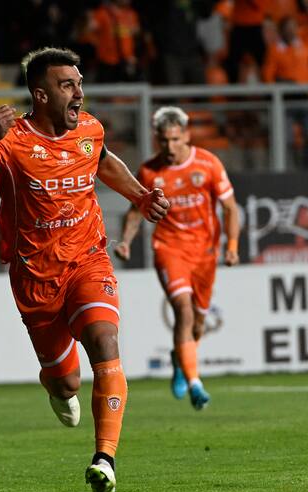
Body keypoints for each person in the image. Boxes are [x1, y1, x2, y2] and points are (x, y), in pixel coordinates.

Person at [0, 47, 169, 492]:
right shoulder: (11, 141)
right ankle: (55, 383)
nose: (79, 94)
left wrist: (141, 197)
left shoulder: (89, 128)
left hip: (88, 259)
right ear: (40, 94)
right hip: (34, 277)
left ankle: (104, 459)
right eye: (68, 85)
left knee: (105, 342)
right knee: (65, 380)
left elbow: (103, 160)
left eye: (79, 83)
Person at [115, 106, 240, 410]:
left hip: (205, 253)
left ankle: (178, 359)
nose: (169, 147)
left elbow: (230, 208)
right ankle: (196, 383)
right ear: (157, 139)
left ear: (185, 135)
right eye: (163, 141)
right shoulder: (149, 172)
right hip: (169, 249)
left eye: (174, 139)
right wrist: (127, 241)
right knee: (183, 311)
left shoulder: (208, 164)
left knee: (197, 323)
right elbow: (135, 211)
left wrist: (232, 245)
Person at [262, 13, 308, 169]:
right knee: (286, 139)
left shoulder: (304, 43)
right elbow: (267, 75)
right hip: (286, 100)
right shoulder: (275, 50)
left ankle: (307, 169)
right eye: (288, 29)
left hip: (306, 97)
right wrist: (279, 85)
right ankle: (290, 170)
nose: (292, 31)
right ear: (281, 31)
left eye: (294, 28)